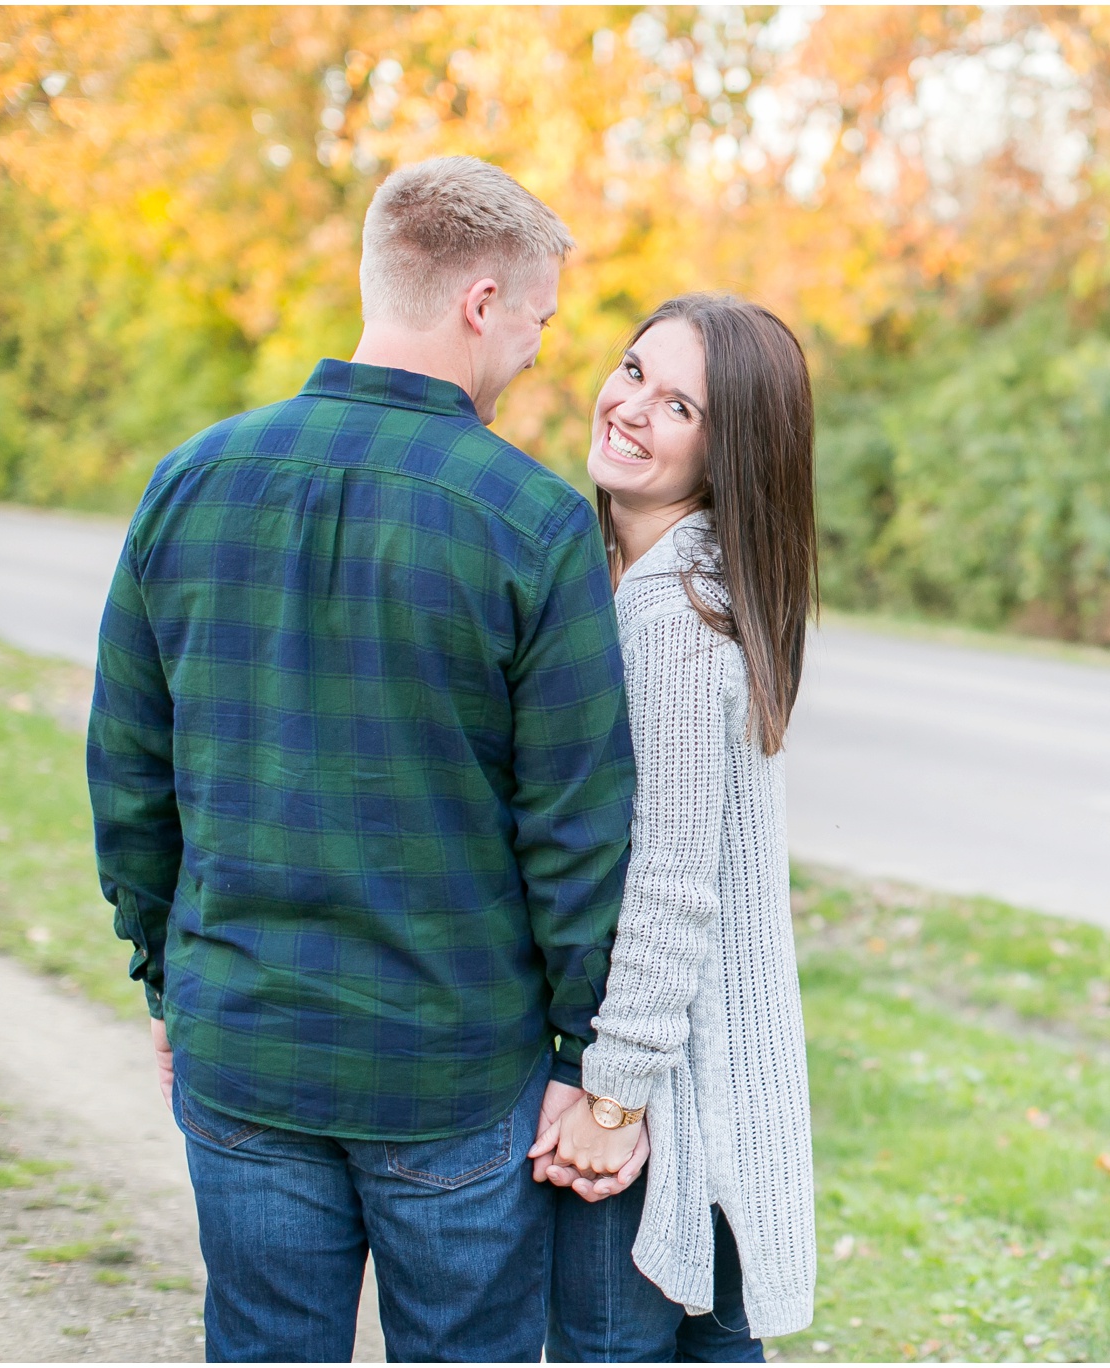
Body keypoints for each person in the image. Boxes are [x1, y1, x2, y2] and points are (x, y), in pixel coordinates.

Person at [86, 156, 637, 1363]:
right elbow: (578, 831)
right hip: (452, 1067)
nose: (540, 351)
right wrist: (579, 1054)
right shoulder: (532, 520)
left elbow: (129, 783)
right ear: (481, 302)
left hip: (243, 1040)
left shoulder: (188, 482)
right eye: (540, 319)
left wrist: (166, 979)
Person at [528, 293, 819, 1361]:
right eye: (632, 369)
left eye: (680, 403)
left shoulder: (675, 622)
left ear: (727, 452)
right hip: (685, 1084)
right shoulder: (638, 585)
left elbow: (669, 883)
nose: (632, 405)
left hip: (668, 1098)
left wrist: (612, 1097)